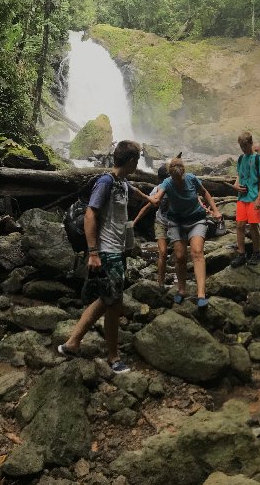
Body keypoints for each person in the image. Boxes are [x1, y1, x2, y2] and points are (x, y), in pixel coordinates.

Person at [58, 140, 152, 374]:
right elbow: (90, 215)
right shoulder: (106, 182)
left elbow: (134, 191)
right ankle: (113, 357)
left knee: (104, 300)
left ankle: (72, 343)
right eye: (137, 159)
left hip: (116, 251)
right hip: (106, 252)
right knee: (113, 304)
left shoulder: (122, 182)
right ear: (131, 161)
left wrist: (150, 199)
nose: (138, 162)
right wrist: (93, 253)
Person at [149, 156, 223, 309]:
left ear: (182, 173)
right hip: (176, 222)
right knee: (180, 256)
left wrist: (215, 211)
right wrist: (154, 199)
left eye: (179, 177)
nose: (177, 180)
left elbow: (205, 193)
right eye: (174, 177)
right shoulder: (167, 183)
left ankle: (201, 294)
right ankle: (181, 290)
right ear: (170, 175)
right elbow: (158, 196)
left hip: (196, 219)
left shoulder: (191, 179)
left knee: (197, 252)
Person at [231, 132, 260, 267]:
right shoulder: (241, 159)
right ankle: (241, 254)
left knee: (253, 225)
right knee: (239, 225)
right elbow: (239, 176)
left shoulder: (259, 159)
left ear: (250, 144)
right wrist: (236, 185)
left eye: (245, 146)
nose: (243, 149)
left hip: (253, 197)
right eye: (241, 147)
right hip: (242, 197)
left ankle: (256, 253)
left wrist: (259, 198)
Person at [133, 163, 171, 287]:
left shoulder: (179, 185)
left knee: (179, 254)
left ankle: (178, 278)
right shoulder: (157, 189)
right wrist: (135, 222)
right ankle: (161, 282)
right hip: (161, 222)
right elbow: (147, 207)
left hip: (177, 223)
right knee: (163, 252)